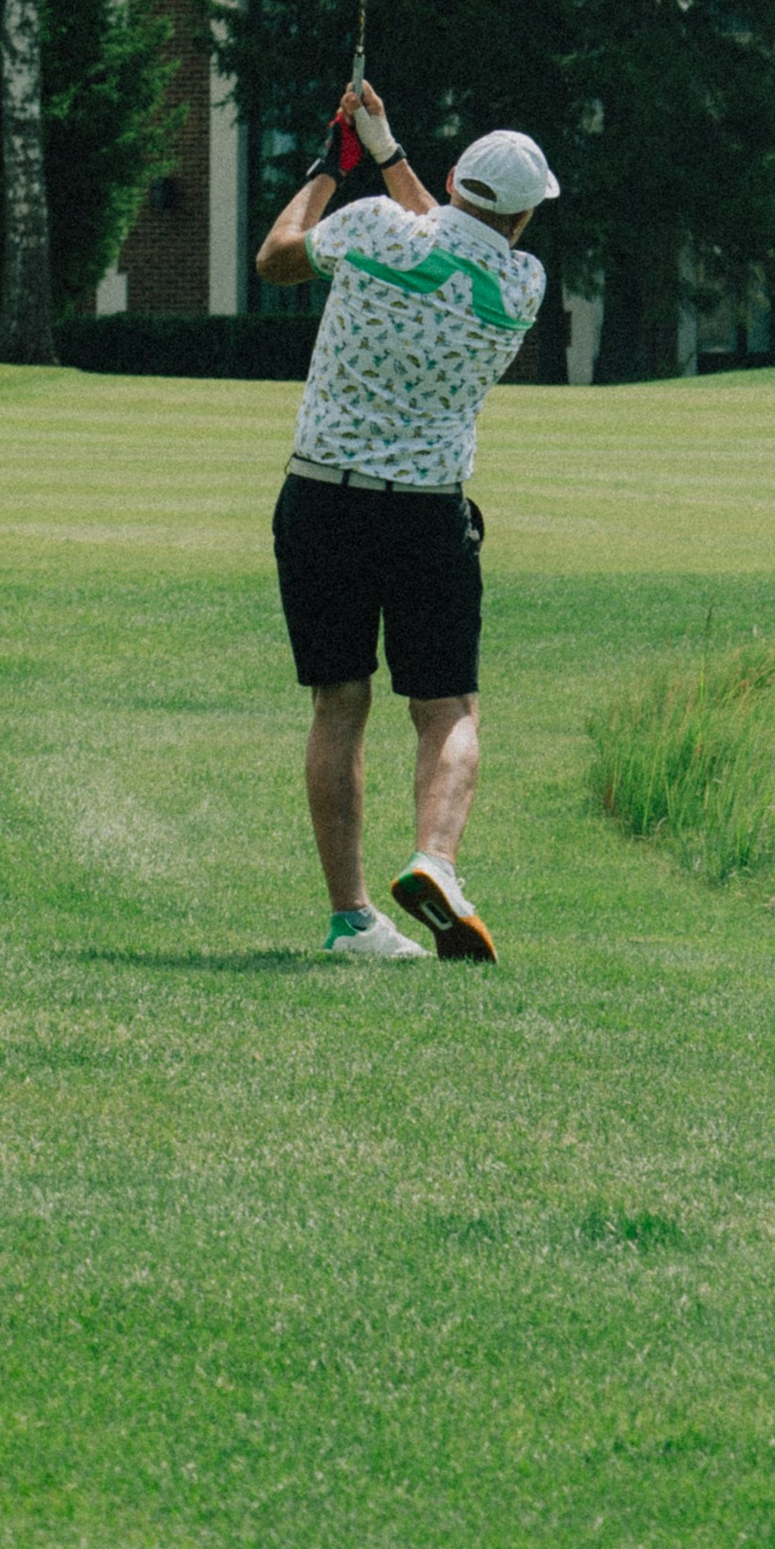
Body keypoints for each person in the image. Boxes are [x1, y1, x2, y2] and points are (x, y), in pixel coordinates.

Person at [253, 79, 559, 964]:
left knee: (339, 703)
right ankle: (435, 861)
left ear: (457, 180)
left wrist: (333, 166)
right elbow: (456, 239)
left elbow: (277, 258)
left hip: (322, 496)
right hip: (427, 512)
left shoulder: (373, 229)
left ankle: (351, 919)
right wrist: (386, 153)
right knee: (445, 706)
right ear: (525, 218)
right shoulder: (521, 283)